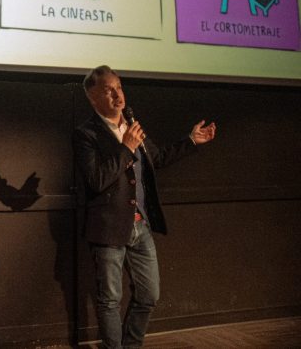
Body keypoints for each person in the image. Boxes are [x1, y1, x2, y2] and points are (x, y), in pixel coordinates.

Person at [73, 65, 216, 349]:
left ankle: (132, 345)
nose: (118, 95)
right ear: (92, 97)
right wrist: (126, 148)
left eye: (119, 87)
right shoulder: (86, 134)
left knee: (149, 295)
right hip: (109, 229)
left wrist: (191, 141)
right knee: (110, 300)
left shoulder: (131, 124)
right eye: (108, 90)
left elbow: (157, 158)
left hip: (140, 225)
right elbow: (97, 180)